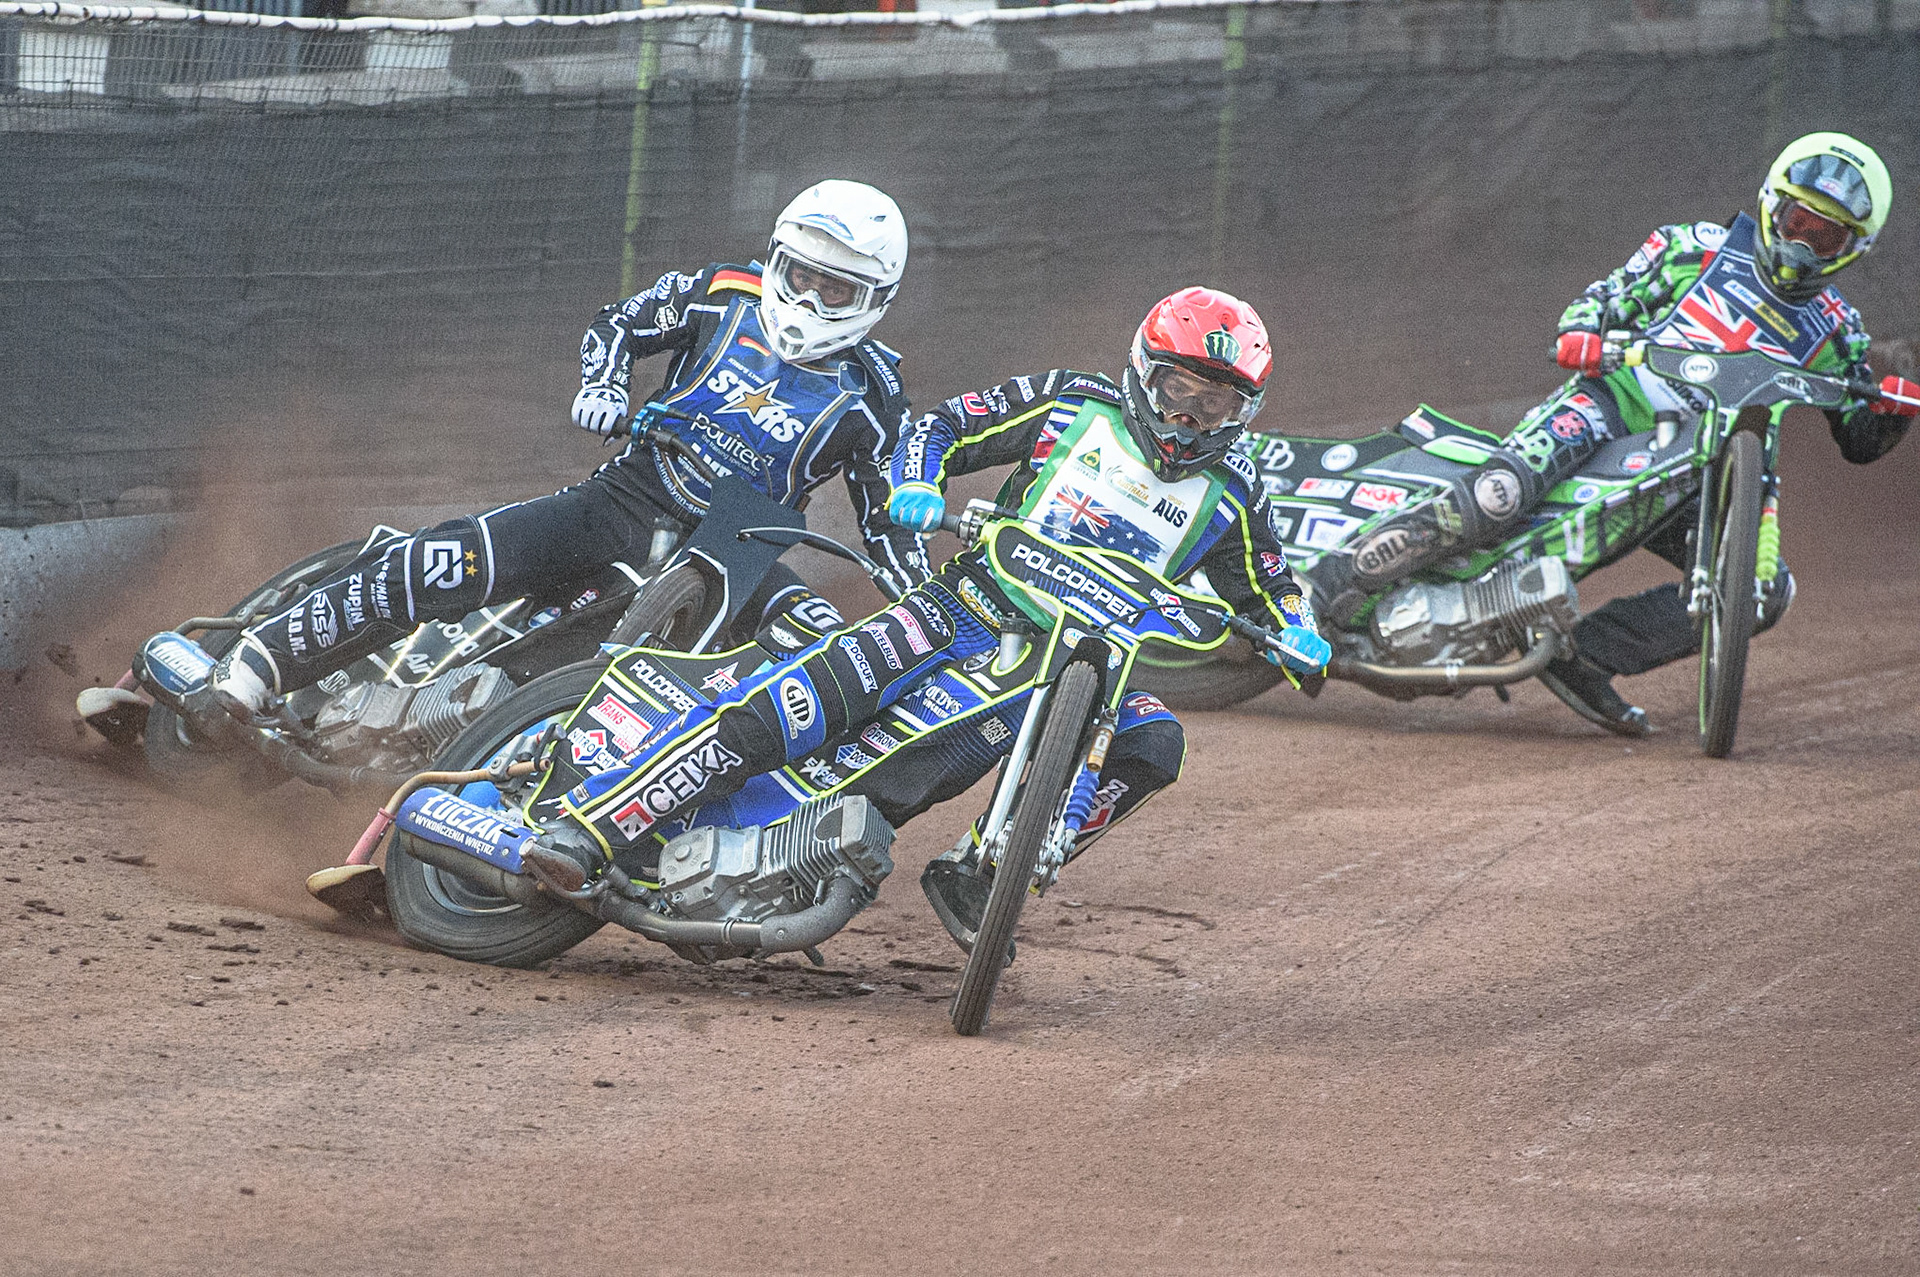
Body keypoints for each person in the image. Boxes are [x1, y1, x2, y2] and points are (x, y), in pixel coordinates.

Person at [518, 287, 1332, 950]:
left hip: (1069, 672)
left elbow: (1272, 585)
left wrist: (1300, 629)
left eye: (1218, 405)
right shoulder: (1069, 402)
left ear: (1244, 412)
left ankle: (988, 869)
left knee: (1152, 741)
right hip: (960, 607)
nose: (1193, 419)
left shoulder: (1237, 491)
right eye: (1179, 393)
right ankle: (591, 828)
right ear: (1142, 374)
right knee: (800, 704)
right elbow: (939, 425)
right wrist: (919, 480)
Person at [151, 179, 928, 727]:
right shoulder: (722, 291)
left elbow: (890, 518)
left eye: (837, 291)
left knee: (817, 647)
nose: (809, 301)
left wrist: (925, 605)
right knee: (437, 561)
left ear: (875, 300)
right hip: (619, 500)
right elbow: (618, 322)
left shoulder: (877, 394)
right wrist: (602, 383)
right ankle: (246, 674)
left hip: (736, 558)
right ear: (777, 255)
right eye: (800, 275)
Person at [1305, 132, 1920, 735]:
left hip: (1702, 473)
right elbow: (1606, 298)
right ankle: (1330, 585)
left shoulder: (1836, 329)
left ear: (1852, 248)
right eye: (1795, 222)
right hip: (1612, 406)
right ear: (1769, 205)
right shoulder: (1695, 249)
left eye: (1825, 236)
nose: (1801, 245)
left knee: (1762, 589)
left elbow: (1860, 435)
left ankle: (1588, 658)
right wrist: (1584, 331)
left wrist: (1899, 400)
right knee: (1500, 494)